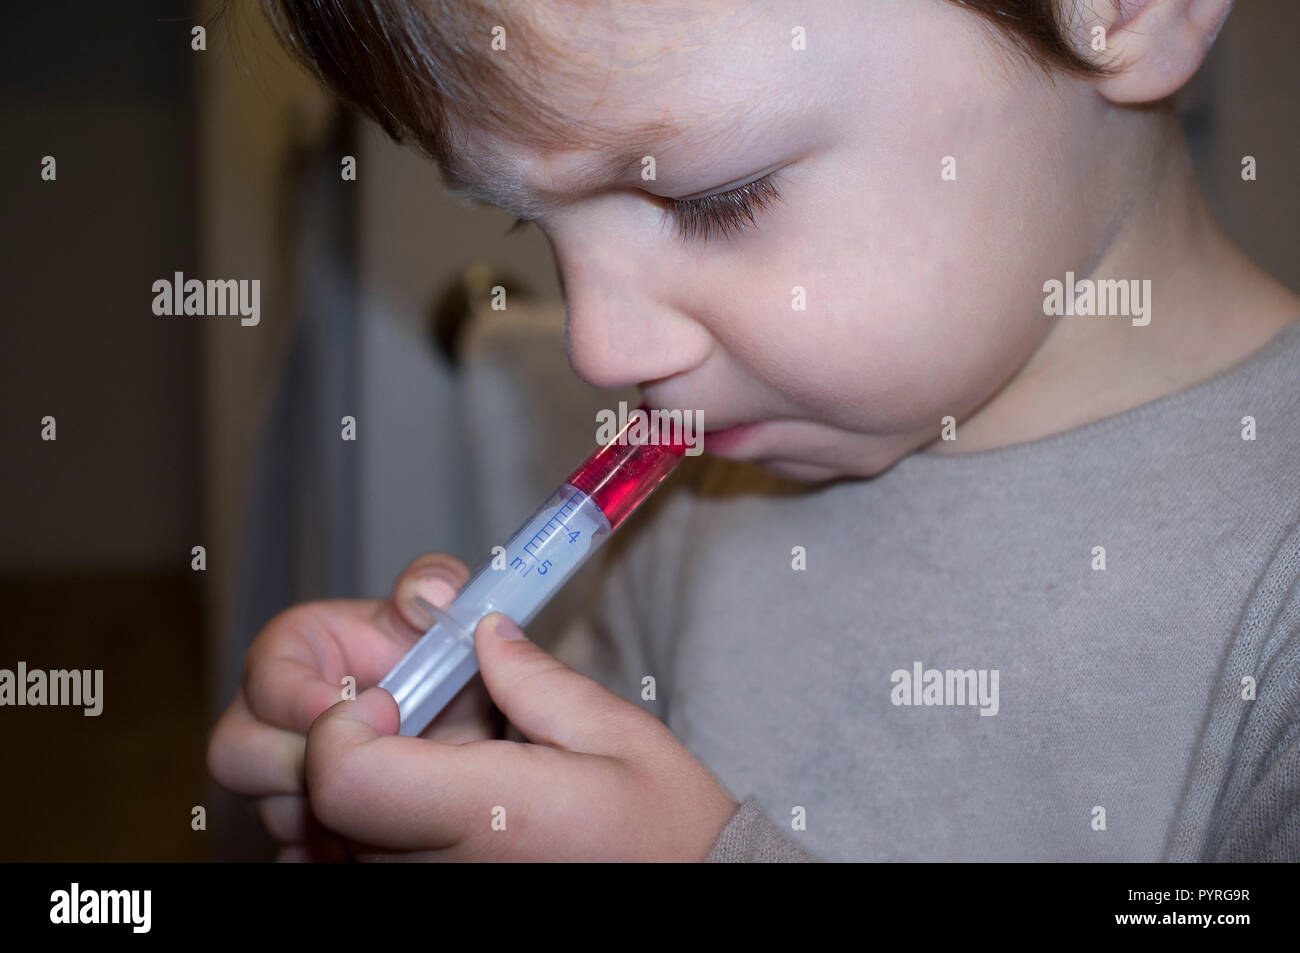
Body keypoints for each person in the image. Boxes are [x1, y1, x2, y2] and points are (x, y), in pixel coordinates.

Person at [207, 0, 1300, 861]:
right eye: (527, 222)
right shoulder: (717, 481)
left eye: (711, 197)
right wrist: (473, 782)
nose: (599, 346)